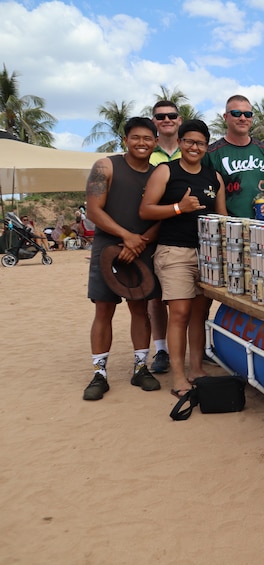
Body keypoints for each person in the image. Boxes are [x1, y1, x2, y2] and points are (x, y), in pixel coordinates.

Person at [140, 119, 227, 397]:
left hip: (208, 254)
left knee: (200, 315)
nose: (194, 147)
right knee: (179, 313)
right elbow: (146, 210)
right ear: (179, 143)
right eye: (189, 141)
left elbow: (221, 216)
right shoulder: (166, 171)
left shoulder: (214, 177)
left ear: (206, 147)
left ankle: (196, 369)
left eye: (200, 143)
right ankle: (178, 376)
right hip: (174, 251)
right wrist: (179, 207)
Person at [82, 117, 161, 401]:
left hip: (142, 248)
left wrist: (140, 242)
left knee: (140, 307)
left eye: (147, 138)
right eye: (135, 137)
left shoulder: (158, 174)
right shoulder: (106, 166)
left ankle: (141, 366)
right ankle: (99, 372)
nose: (141, 143)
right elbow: (94, 210)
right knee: (104, 310)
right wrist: (126, 236)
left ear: (156, 142)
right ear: (125, 139)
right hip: (108, 247)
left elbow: (161, 217)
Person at [148, 99, 183, 375]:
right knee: (155, 296)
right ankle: (160, 349)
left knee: (188, 297)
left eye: (171, 115)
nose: (166, 120)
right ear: (154, 121)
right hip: (151, 232)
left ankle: (194, 348)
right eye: (161, 116)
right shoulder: (148, 151)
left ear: (179, 119)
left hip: (185, 233)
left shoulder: (192, 149)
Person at [203, 94, 264, 220]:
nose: (243, 118)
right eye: (236, 113)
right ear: (225, 117)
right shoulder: (211, 154)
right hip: (229, 226)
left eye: (247, 114)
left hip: (263, 226)